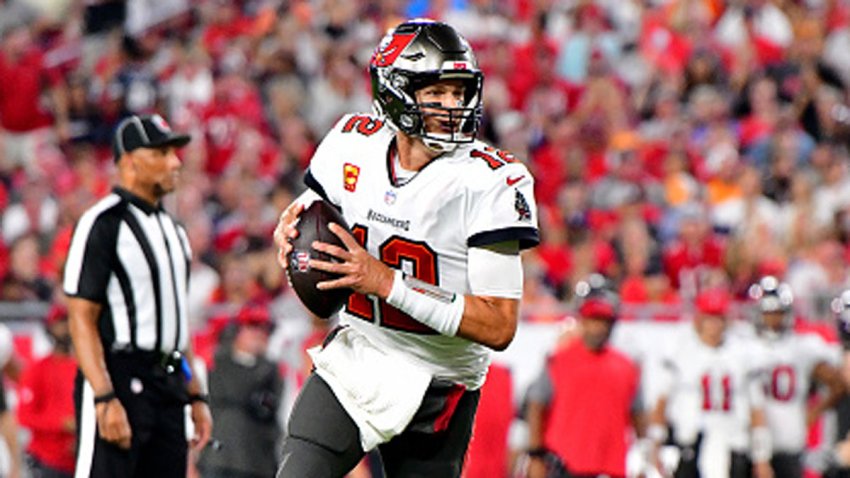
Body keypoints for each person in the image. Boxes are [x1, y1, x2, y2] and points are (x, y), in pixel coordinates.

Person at [273, 19, 539, 477]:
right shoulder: (351, 143)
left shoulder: (492, 181)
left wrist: (385, 281)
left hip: (441, 378)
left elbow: (498, 325)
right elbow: (319, 203)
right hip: (361, 353)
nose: (452, 105)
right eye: (436, 93)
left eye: (459, 92)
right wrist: (292, 222)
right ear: (394, 92)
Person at [63, 113, 213, 477]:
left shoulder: (174, 231)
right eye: (161, 153)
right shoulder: (103, 222)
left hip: (169, 380)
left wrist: (195, 393)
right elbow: (81, 318)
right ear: (129, 160)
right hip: (120, 375)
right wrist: (103, 395)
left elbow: (177, 326)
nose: (175, 162)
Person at [524, 275, 645, 478]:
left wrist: (644, 456)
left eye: (602, 322)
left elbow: (639, 415)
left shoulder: (627, 366)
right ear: (582, 321)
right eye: (592, 320)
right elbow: (537, 404)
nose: (597, 328)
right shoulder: (558, 359)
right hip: (562, 464)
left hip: (611, 467)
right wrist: (536, 456)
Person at [649, 288, 773, 478]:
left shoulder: (742, 353)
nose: (714, 325)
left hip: (734, 443)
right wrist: (655, 445)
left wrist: (761, 457)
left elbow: (756, 410)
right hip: (691, 444)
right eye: (709, 318)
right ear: (699, 320)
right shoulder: (681, 352)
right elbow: (661, 404)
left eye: (718, 318)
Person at [749, 276, 845, 478]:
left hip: (789, 438)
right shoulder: (744, 345)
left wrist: (813, 413)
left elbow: (838, 384)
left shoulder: (800, 347)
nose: (772, 319)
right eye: (768, 313)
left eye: (777, 313)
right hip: (750, 440)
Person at [198, 304, 283, 478]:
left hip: (257, 461)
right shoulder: (215, 364)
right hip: (218, 457)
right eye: (252, 327)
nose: (259, 334)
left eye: (264, 329)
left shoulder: (272, 371)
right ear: (237, 331)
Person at [17, 304, 77, 478]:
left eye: (68, 321)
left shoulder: (85, 368)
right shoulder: (38, 369)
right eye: (59, 322)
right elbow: (24, 415)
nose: (65, 328)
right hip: (47, 459)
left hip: (77, 456)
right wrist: (61, 423)